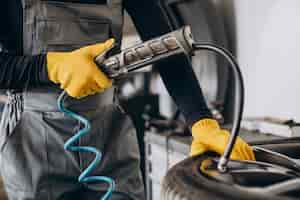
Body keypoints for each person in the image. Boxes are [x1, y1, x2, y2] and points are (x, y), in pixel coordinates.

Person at [0, 1, 255, 199]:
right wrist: (50, 67)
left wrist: (201, 121)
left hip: (109, 136)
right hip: (33, 142)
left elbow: (165, 47)